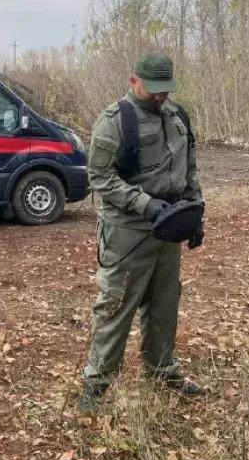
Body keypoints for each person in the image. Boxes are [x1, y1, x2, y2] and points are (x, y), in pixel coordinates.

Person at [78, 51, 205, 412]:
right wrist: (144, 204)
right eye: (154, 90)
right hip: (128, 234)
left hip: (169, 228)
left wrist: (196, 213)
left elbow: (189, 167)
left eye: (166, 89)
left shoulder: (178, 117)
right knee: (116, 305)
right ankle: (97, 384)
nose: (161, 96)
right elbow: (100, 177)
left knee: (165, 304)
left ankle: (163, 371)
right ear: (134, 81)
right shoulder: (115, 121)